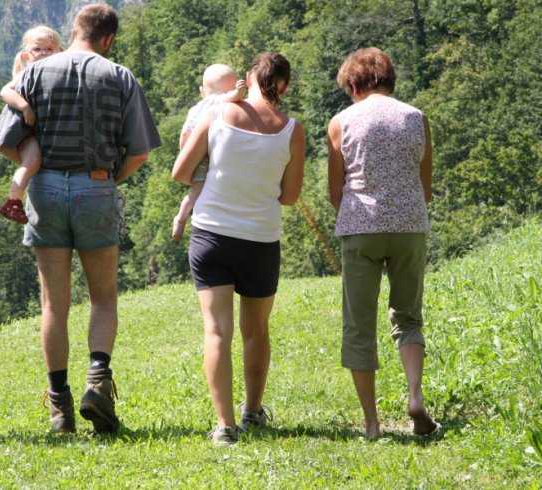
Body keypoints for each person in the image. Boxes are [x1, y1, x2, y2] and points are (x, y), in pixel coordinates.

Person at [0, 3, 161, 434]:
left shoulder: (34, 73)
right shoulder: (120, 76)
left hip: (45, 189)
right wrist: (105, 179)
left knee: (54, 303)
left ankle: (59, 407)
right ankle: (97, 383)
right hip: (96, 186)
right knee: (103, 297)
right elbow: (139, 152)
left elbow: (4, 142)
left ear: (74, 31)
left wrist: (39, 168)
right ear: (108, 39)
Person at [172, 52, 305, 446]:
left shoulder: (217, 113)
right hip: (261, 239)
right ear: (286, 86)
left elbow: (181, 171)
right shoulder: (292, 130)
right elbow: (290, 197)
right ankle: (253, 411)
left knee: (217, 331)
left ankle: (224, 426)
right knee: (256, 330)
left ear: (248, 78)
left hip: (212, 234)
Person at [326, 47, 438, 439]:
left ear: (353, 86)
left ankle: (372, 425)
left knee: (359, 325)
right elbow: (425, 188)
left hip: (361, 226)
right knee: (408, 317)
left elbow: (334, 191)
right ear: (390, 81)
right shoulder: (416, 118)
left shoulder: (341, 122)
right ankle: (415, 396)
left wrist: (358, 213)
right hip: (410, 225)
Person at [171, 64, 246, 240]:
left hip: (198, 158)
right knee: (204, 192)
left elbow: (185, 134)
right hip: (213, 158)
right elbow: (231, 96)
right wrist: (239, 92)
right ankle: (181, 220)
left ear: (202, 91)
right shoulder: (220, 101)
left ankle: (181, 220)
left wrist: (186, 155)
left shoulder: (194, 109)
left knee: (195, 192)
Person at [0, 25, 61, 225]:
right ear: (26, 56)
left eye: (49, 49)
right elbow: (5, 91)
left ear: (59, 52)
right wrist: (25, 107)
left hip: (33, 131)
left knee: (34, 163)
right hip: (26, 131)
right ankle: (13, 199)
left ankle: (29, 178)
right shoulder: (28, 73)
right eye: (38, 49)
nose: (44, 53)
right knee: (32, 161)